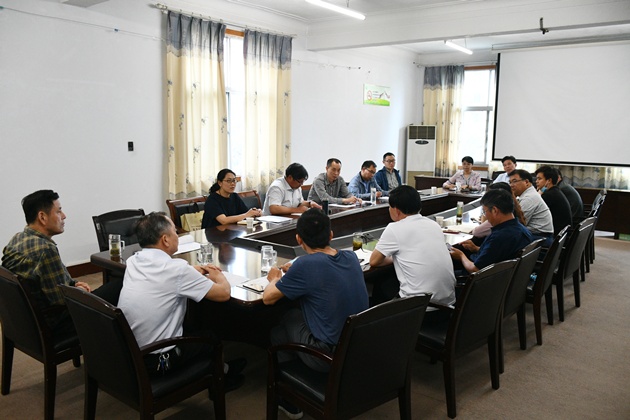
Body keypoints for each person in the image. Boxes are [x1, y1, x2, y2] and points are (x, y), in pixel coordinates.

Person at [117, 212, 245, 388]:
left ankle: (225, 369)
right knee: (211, 338)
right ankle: (221, 381)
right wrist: (218, 276)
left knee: (193, 326)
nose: (177, 235)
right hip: (158, 360)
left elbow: (166, 275)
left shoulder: (133, 261)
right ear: (165, 240)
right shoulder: (177, 270)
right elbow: (223, 294)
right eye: (175, 232)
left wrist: (192, 270)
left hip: (128, 353)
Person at [263, 208, 369, 419]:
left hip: (328, 357)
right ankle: (295, 387)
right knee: (283, 330)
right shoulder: (350, 257)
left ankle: (290, 397)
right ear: (331, 235)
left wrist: (274, 278)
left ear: (298, 239)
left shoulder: (305, 264)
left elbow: (268, 298)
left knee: (286, 320)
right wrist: (295, 273)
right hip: (358, 348)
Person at [2, 190, 121, 337]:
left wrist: (74, 284)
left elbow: (48, 280)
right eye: (58, 211)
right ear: (42, 217)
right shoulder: (45, 250)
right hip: (57, 323)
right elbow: (61, 300)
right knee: (120, 286)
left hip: (28, 321)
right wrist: (79, 291)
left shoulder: (17, 239)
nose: (64, 216)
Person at [369, 185, 456, 308]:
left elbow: (374, 261)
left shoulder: (394, 229)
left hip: (420, 309)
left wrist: (394, 258)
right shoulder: (433, 225)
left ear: (396, 210)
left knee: (379, 287)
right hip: (448, 305)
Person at [450, 189, 533, 274]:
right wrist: (475, 248)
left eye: (484, 211)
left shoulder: (499, 237)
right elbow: (496, 254)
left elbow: (476, 270)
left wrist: (461, 256)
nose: (485, 216)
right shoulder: (523, 230)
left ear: (494, 210)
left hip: (480, 278)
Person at [508, 169, 554, 246]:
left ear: (526, 182)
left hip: (540, 239)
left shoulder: (529, 198)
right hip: (538, 236)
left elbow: (517, 224)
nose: (511, 185)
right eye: (510, 182)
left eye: (514, 181)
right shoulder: (529, 194)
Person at [534, 166, 573, 235]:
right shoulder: (555, 191)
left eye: (539, 179)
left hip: (556, 234)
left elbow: (535, 212)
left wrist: (539, 194)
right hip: (563, 233)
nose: (536, 181)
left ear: (549, 180)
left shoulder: (549, 195)